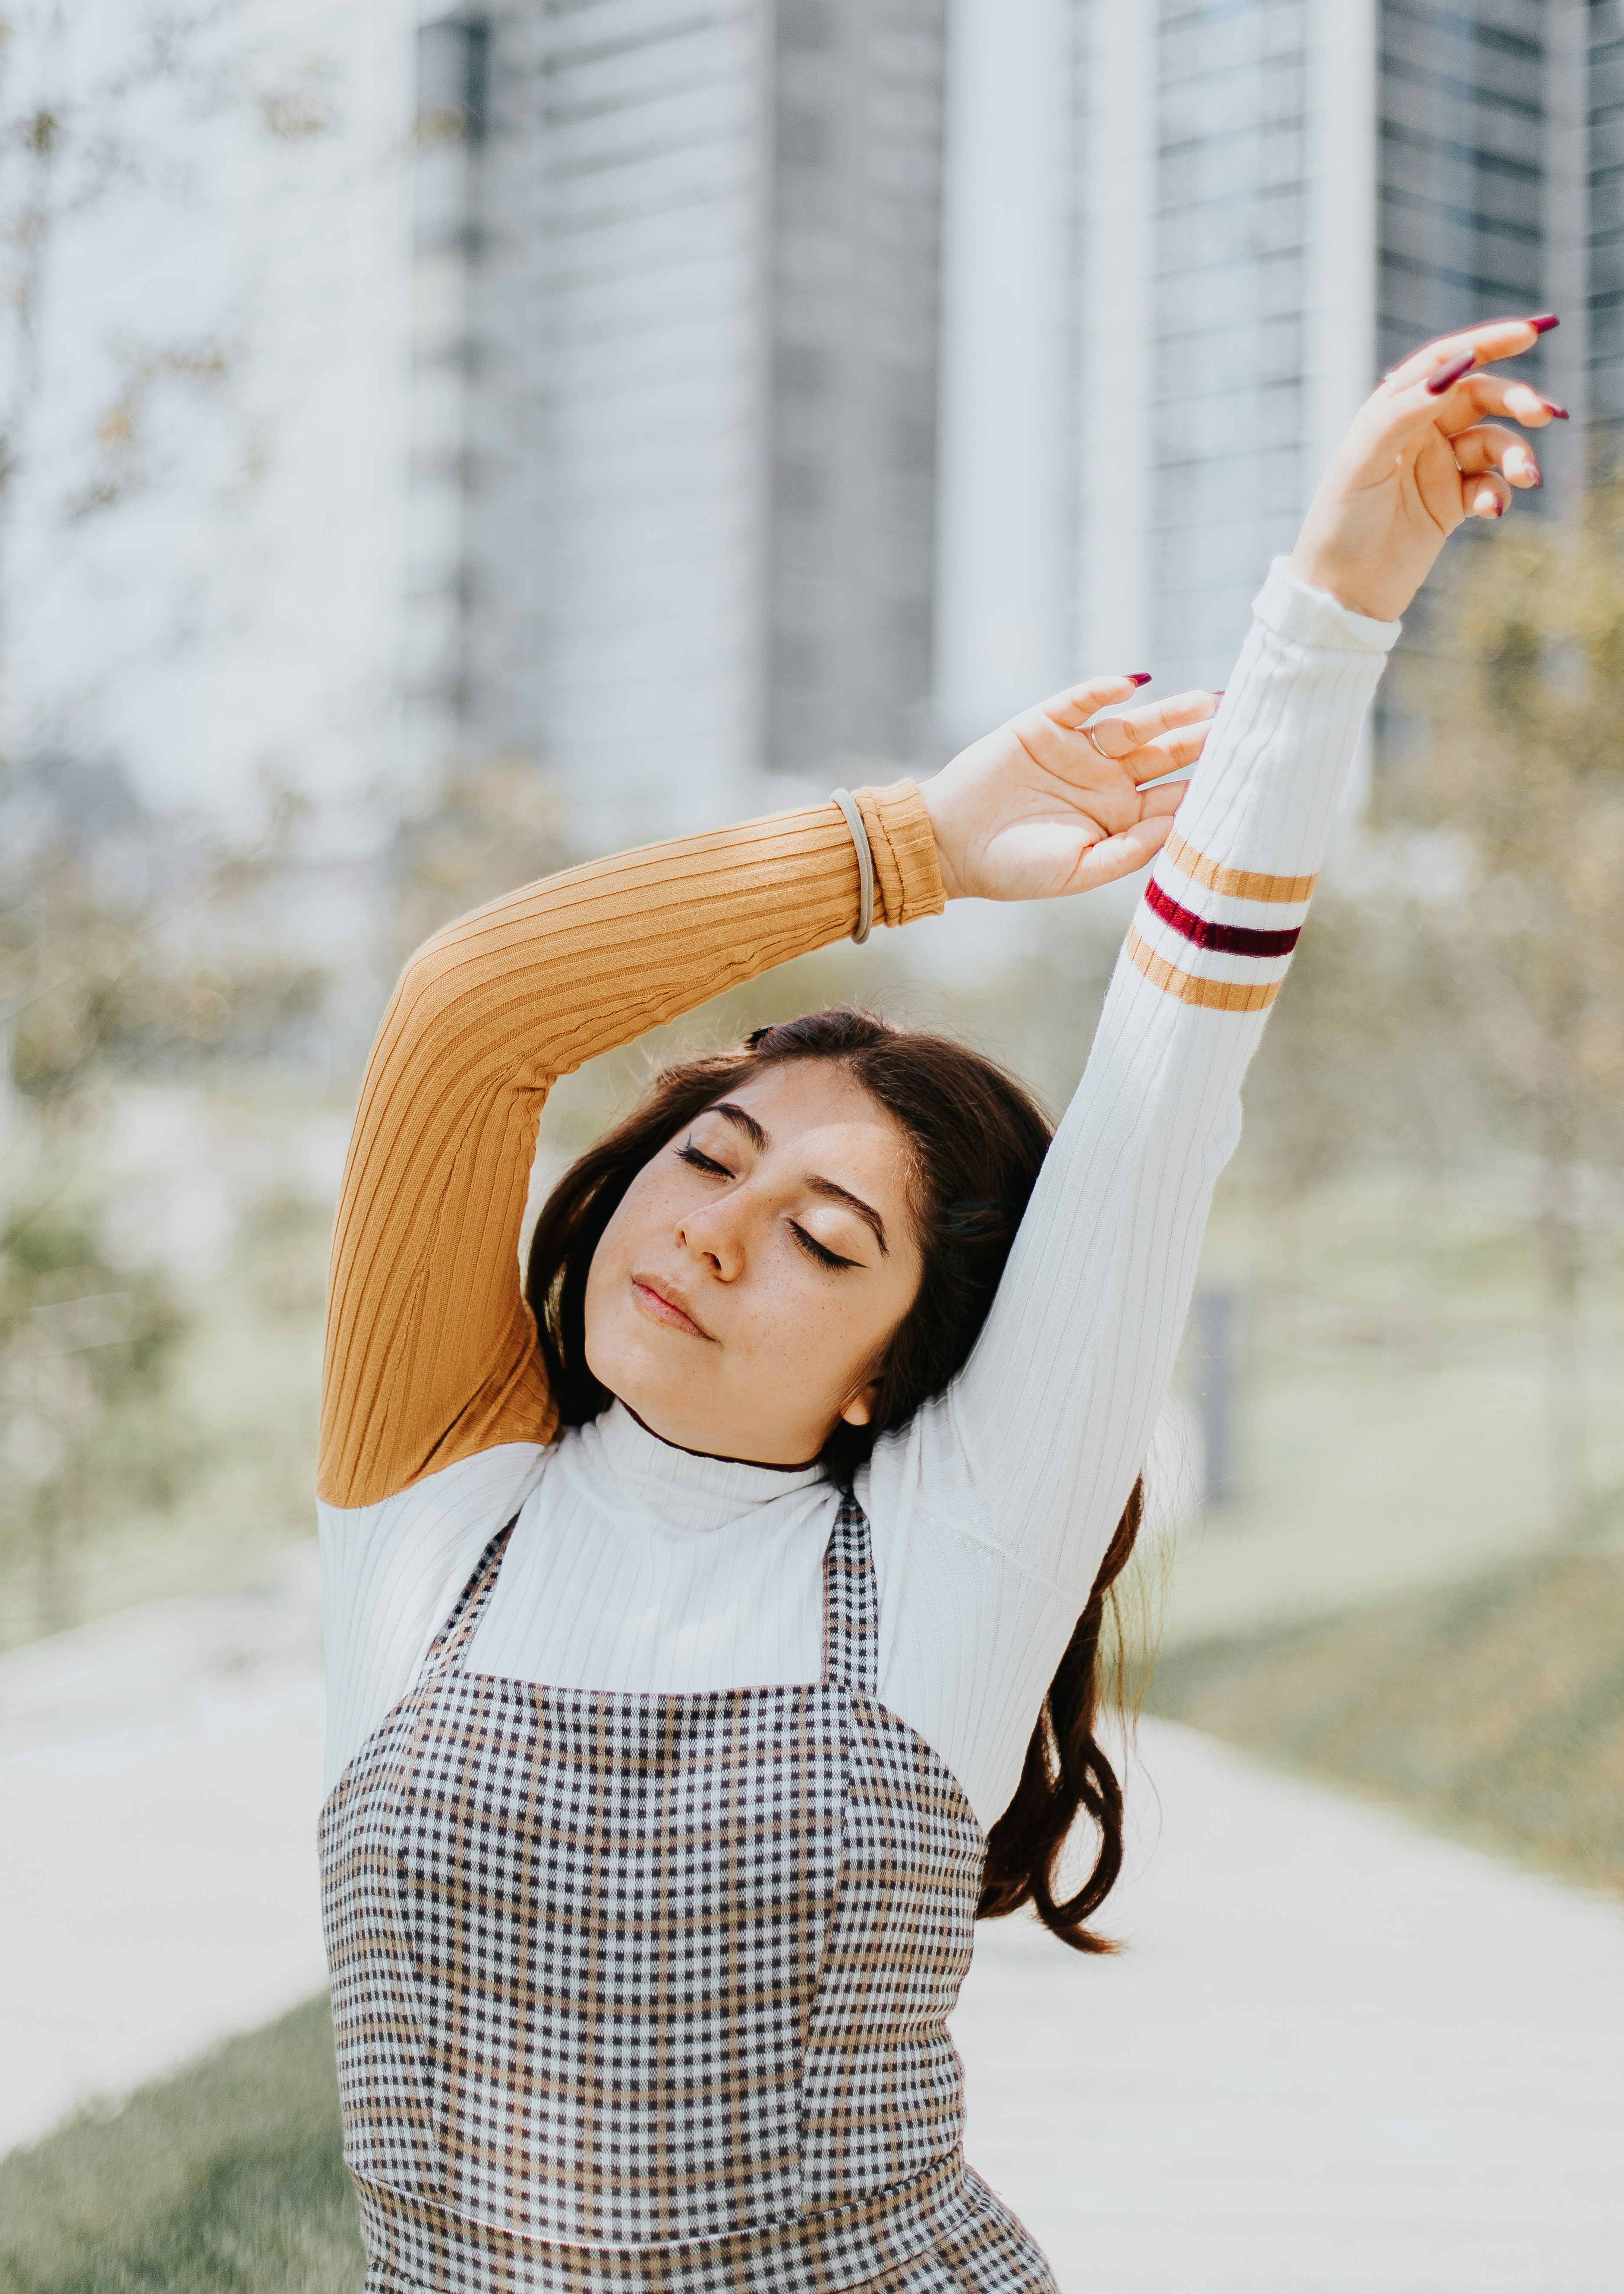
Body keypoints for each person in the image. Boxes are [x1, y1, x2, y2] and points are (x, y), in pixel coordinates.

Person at [316, 319, 1561, 2292]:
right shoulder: (431, 1507)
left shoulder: (945, 1556)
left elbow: (1163, 1096)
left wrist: (1325, 611)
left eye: (828, 1244)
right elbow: (467, 1013)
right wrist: (914, 844)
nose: (719, 1236)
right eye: (709, 1161)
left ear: (893, 1373)